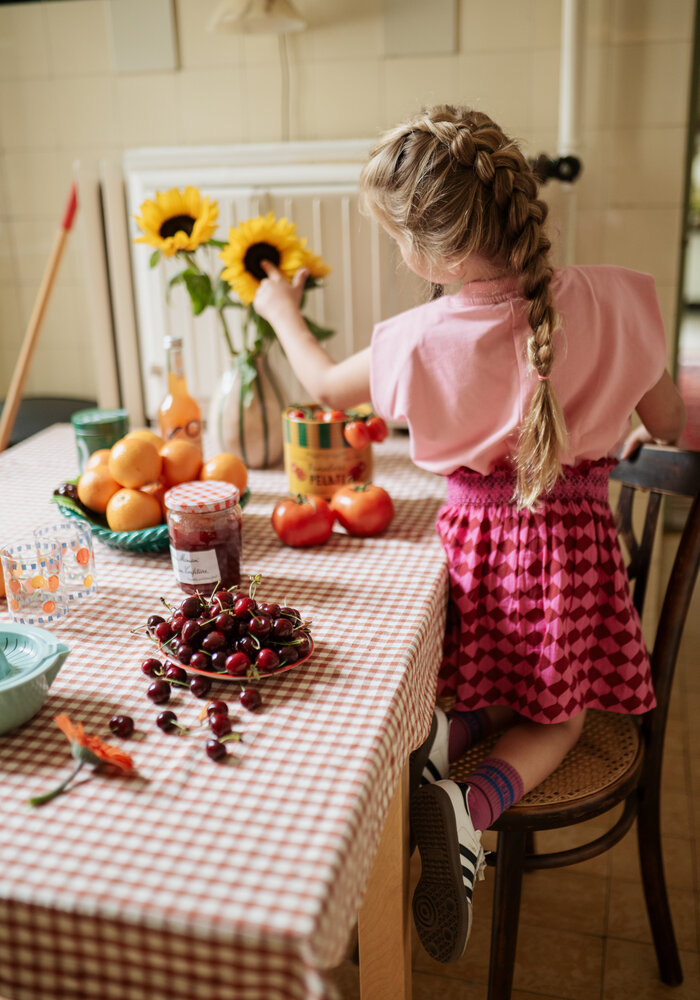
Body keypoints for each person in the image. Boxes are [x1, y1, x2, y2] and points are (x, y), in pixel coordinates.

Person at [253, 104, 687, 964]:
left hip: (478, 562)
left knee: (516, 694)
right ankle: (464, 793)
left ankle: (449, 768)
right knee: (557, 713)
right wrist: (617, 425)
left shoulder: (415, 341)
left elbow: (317, 382)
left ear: (433, 253)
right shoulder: (619, 296)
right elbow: (670, 418)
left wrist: (280, 312)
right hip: (573, 559)